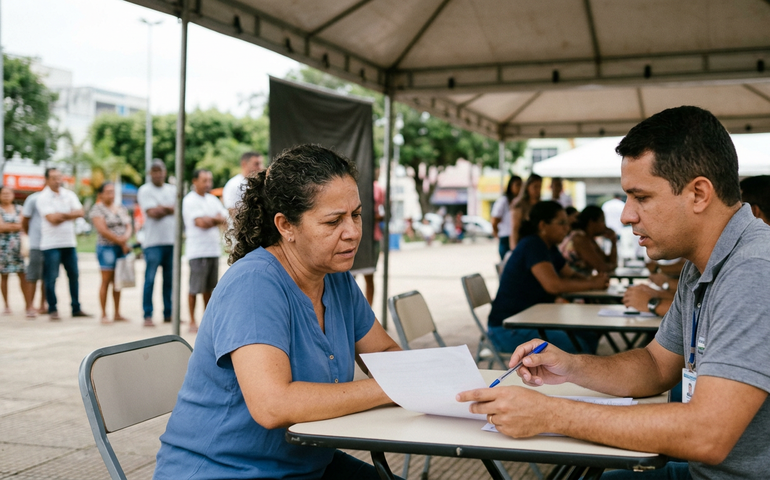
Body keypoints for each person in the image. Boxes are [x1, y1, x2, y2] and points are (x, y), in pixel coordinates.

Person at [458, 106, 770, 480]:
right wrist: (571, 366)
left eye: (641, 197)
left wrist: (551, 414)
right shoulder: (703, 263)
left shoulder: (754, 268)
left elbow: (707, 435)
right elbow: (656, 366)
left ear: (699, 194)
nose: (625, 215)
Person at [153, 145, 401, 480]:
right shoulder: (254, 284)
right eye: (333, 221)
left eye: (356, 215)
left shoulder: (335, 277)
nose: (353, 232)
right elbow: (273, 405)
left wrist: (431, 379)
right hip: (224, 471)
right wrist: (392, 388)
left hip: (304, 464)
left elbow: (384, 351)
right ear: (285, 226)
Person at [488, 201, 607, 355]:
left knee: (589, 336)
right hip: (508, 328)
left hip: (532, 321)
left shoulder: (549, 247)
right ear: (543, 225)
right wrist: (593, 284)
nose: (567, 228)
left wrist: (592, 281)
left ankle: (580, 370)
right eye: (561, 223)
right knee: (577, 346)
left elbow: (570, 274)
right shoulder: (533, 245)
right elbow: (553, 286)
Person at [36, 168, 91, 320]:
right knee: (51, 277)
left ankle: (76, 307)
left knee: (74, 275)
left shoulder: (69, 194)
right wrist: (70, 214)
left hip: (69, 242)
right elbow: (52, 219)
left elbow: (80, 212)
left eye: (59, 177)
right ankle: (52, 308)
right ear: (47, 180)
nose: (57, 181)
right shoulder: (43, 197)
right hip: (50, 244)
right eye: (53, 178)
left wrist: (62, 215)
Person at [182, 168, 227, 333]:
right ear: (194, 181)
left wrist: (211, 219)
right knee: (195, 287)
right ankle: (192, 320)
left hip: (213, 249)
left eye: (209, 180)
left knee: (210, 288)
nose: (208, 184)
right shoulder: (189, 200)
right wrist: (215, 219)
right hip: (197, 251)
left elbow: (224, 218)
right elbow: (200, 223)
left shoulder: (212, 199)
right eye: (204, 180)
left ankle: (207, 319)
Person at [137, 159, 176, 327]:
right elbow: (153, 213)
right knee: (150, 279)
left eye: (160, 170)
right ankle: (147, 314)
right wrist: (168, 208)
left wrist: (162, 208)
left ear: (165, 172)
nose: (158, 174)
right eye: (154, 171)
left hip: (171, 241)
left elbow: (176, 209)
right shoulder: (145, 190)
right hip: (152, 243)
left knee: (170, 280)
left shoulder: (172, 189)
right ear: (149, 173)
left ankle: (169, 313)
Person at [88, 183, 132, 324]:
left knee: (118, 281)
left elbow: (128, 225)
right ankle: (104, 314)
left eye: (112, 191)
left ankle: (117, 313)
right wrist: (121, 241)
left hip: (121, 248)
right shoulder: (97, 209)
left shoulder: (120, 207)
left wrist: (125, 238)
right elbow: (103, 230)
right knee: (106, 280)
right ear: (100, 194)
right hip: (106, 247)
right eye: (107, 192)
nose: (111, 195)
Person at [558, 205, 618, 275]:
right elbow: (602, 268)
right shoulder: (580, 239)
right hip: (572, 281)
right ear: (591, 222)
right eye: (602, 220)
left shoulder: (589, 239)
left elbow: (607, 262)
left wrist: (613, 242)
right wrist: (611, 266)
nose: (605, 225)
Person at [0, 186, 28, 315]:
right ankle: (6, 305)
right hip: (3, 248)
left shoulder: (19, 209)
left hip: (18, 247)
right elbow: (1, 227)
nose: (6, 196)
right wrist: (15, 226)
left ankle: (28, 304)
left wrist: (7, 226)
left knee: (22, 275)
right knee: (4, 276)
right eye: (3, 193)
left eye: (8, 193)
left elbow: (23, 225)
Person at [21, 191, 47, 318]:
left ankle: (43, 305)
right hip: (36, 243)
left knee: (48, 276)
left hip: (51, 244)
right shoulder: (33, 199)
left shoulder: (59, 198)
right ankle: (30, 306)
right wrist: (31, 236)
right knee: (33, 275)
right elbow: (25, 221)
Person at [364, 166, 384, 305]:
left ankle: (368, 311)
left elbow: (382, 212)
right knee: (350, 278)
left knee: (369, 276)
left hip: (372, 237)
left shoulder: (377, 188)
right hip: (364, 237)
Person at [222, 151, 264, 216]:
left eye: (261, 163)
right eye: (256, 164)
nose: (260, 167)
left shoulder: (259, 183)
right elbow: (233, 212)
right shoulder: (234, 185)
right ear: (244, 164)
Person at [491, 175, 522, 259]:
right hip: (505, 238)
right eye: (517, 185)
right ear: (511, 186)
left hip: (518, 237)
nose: (520, 188)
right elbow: (494, 220)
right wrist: (498, 235)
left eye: (521, 185)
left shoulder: (520, 202)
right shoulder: (503, 201)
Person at [509, 174, 542, 249]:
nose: (538, 190)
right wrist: (514, 250)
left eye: (539, 187)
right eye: (535, 187)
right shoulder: (519, 205)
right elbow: (514, 229)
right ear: (527, 187)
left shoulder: (541, 205)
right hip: (523, 245)